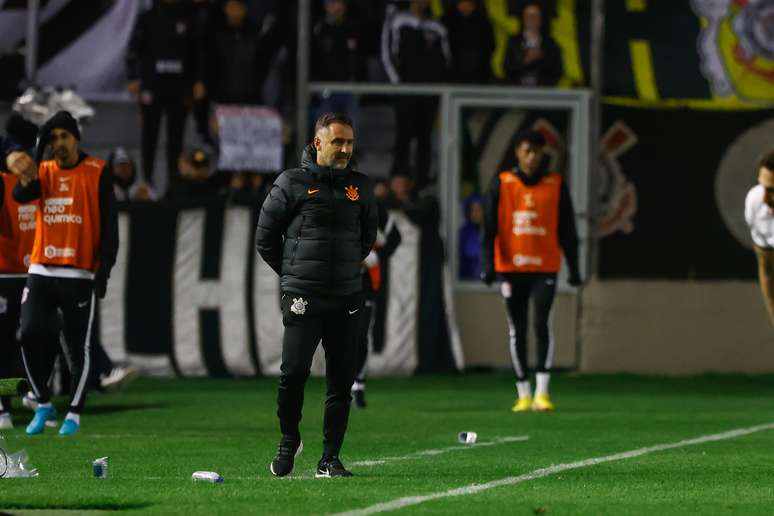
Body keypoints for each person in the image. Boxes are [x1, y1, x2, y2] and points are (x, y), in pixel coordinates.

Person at [255, 112, 377, 478]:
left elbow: (367, 238)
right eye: (338, 142)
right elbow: (265, 238)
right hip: (303, 296)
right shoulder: (291, 183)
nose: (344, 149)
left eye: (349, 143)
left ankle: (330, 458)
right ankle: (289, 439)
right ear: (318, 142)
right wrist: (295, 274)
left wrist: (342, 271)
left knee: (341, 379)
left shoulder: (361, 186)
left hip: (346, 297)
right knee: (293, 373)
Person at [8, 110, 119, 436]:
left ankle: (74, 413)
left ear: (76, 138)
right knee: (26, 333)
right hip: (41, 268)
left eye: (64, 136)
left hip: (79, 274)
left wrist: (105, 270)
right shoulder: (42, 171)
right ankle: (42, 401)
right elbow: (20, 195)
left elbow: (110, 226)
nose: (59, 143)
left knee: (77, 348)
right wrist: (38, 148)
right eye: (53, 137)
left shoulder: (97, 171)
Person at [481, 130, 581, 413]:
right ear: (517, 152)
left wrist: (574, 269)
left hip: (544, 267)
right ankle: (523, 392)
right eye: (527, 150)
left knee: (541, 323)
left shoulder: (556, 185)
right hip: (511, 268)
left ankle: (543, 392)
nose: (532, 156)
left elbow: (568, 231)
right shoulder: (502, 183)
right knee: (517, 329)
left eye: (537, 151)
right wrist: (487, 265)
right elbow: (488, 228)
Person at [127, 0, 205, 194]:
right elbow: (133, 51)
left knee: (176, 138)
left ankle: (174, 184)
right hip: (152, 88)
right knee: (149, 137)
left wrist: (198, 80)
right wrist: (133, 77)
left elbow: (198, 52)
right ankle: (147, 183)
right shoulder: (147, 18)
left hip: (179, 88)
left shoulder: (190, 17)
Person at [0, 114, 41, 429]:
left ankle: (31, 395)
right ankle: (2, 406)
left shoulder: (38, 171)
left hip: (30, 269)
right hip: (3, 269)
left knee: (28, 338)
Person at [381, 0, 451, 187]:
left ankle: (421, 182)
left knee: (424, 138)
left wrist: (438, 88)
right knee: (403, 136)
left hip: (429, 94)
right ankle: (398, 179)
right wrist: (397, 83)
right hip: (405, 91)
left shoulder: (437, 27)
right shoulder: (398, 21)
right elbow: (387, 53)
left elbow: (445, 61)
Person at [351, 200, 401, 408]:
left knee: (361, 333)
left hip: (364, 282)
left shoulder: (373, 206)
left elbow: (395, 237)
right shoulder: (328, 198)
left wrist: (374, 257)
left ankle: (358, 386)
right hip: (335, 277)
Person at [744, 149, 774, 326]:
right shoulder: (754, 201)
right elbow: (767, 268)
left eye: (772, 190)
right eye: (763, 186)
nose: (765, 197)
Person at [503, 1, 562, 87]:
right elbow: (506, 69)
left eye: (535, 16)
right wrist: (525, 61)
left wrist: (541, 58)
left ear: (541, 19)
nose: (531, 19)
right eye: (528, 16)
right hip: (518, 91)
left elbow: (558, 71)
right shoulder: (513, 42)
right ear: (523, 18)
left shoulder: (550, 43)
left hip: (544, 92)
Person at [442, 0, 495, 83]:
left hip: (480, 76)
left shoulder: (484, 23)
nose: (466, 6)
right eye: (462, 3)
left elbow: (490, 47)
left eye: (469, 4)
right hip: (452, 76)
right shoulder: (445, 22)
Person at [459, 193, 483, 279]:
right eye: (473, 210)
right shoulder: (463, 234)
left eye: (479, 209)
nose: (475, 214)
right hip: (467, 284)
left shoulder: (492, 232)